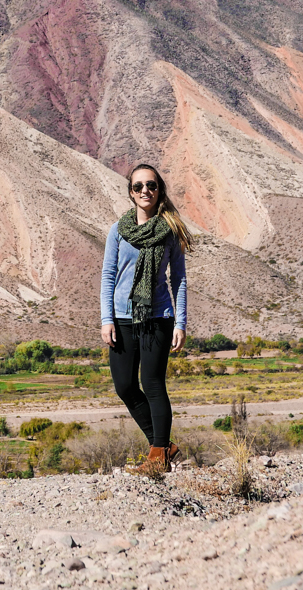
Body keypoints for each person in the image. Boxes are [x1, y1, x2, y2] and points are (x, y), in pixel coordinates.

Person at [100, 164, 191, 475]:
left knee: (152, 384)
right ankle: (164, 445)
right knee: (124, 386)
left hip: (158, 317)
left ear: (159, 189)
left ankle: (158, 458)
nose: (145, 191)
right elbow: (108, 276)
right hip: (122, 319)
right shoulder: (118, 230)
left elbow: (178, 278)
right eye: (138, 186)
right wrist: (106, 318)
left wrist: (180, 322)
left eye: (150, 185)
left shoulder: (170, 230)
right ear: (130, 192)